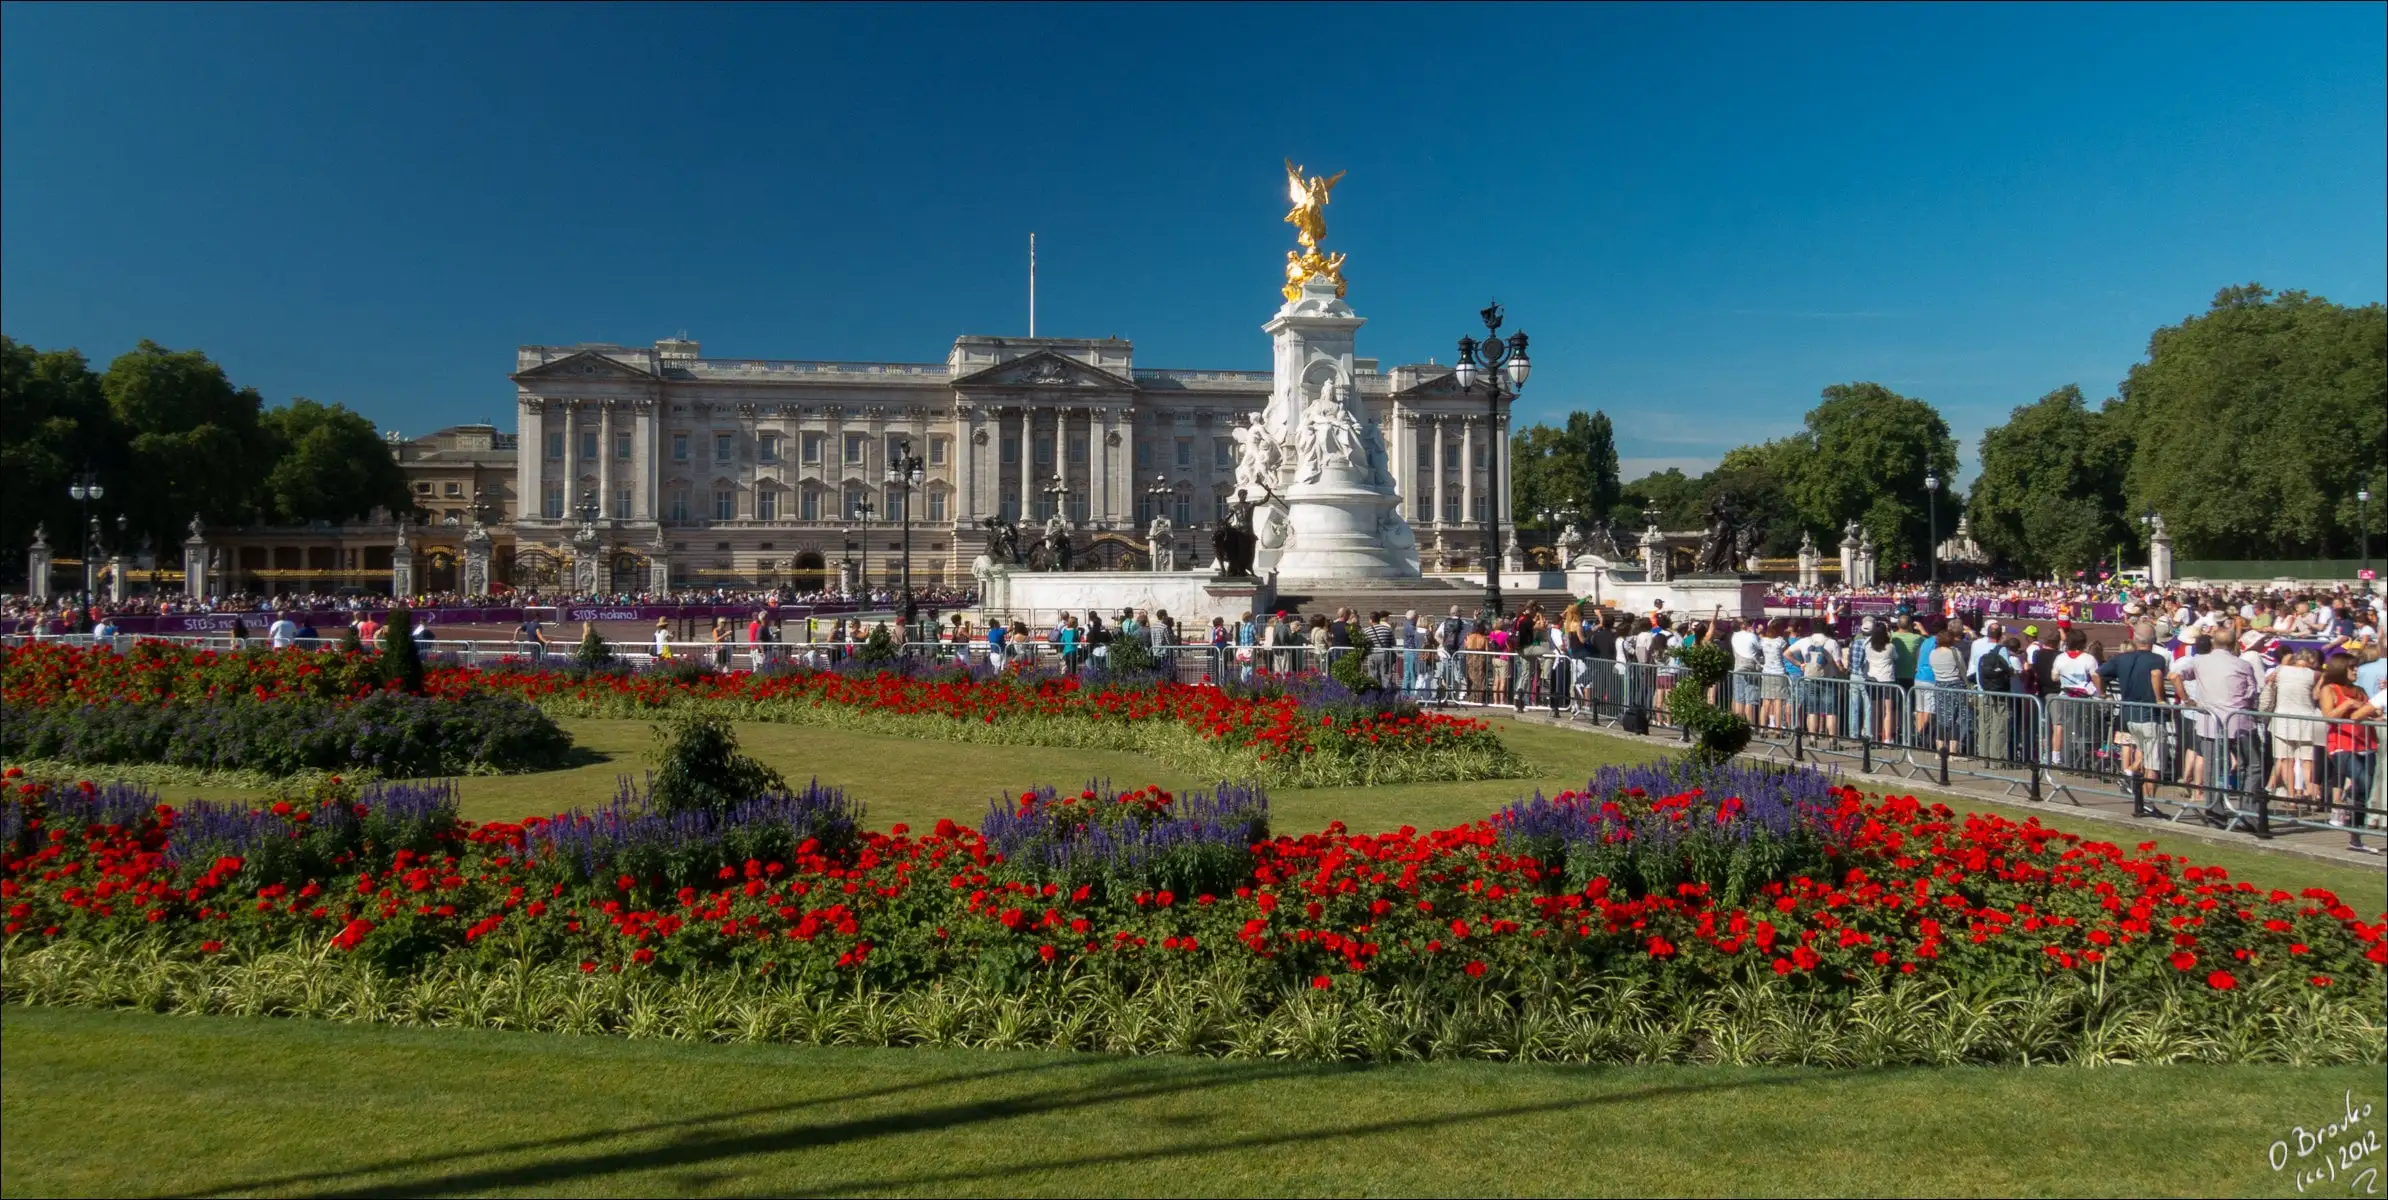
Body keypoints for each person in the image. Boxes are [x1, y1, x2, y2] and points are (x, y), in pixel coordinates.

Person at [2098, 625, 2172, 797]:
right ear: (2153, 641)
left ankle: (2134, 784)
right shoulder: (2157, 659)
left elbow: (2098, 674)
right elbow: (2156, 675)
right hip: (2149, 716)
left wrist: (2103, 694)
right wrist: (2160, 699)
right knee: (2153, 764)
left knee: (2145, 756)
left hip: (2130, 717)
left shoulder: (2121, 658)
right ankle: (2148, 802)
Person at [2316, 652, 2380, 853]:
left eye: (2356, 667)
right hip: (2342, 744)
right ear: (2341, 669)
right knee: (2363, 782)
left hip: (2366, 744)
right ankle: (2341, 804)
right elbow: (2328, 716)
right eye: (2351, 668)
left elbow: (2375, 712)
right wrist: (2348, 704)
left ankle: (2355, 837)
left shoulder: (2360, 690)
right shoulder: (2330, 689)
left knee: (2364, 792)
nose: (2355, 671)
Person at [2263, 648, 2326, 806]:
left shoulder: (2280, 670)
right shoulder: (2316, 674)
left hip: (2282, 719)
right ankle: (2312, 796)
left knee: (2285, 760)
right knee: (2308, 761)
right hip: (2306, 719)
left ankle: (2291, 798)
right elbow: (2317, 695)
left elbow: (2268, 683)